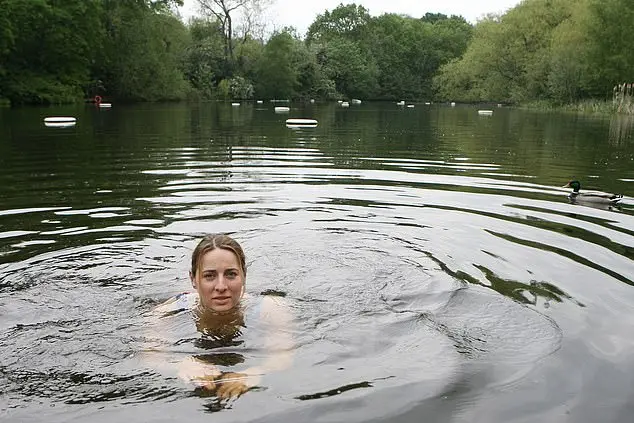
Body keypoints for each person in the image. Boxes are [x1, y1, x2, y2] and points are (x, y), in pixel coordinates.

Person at [150, 234, 293, 400]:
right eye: (209, 276)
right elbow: (151, 354)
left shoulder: (271, 307)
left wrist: (254, 372)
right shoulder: (169, 311)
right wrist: (178, 364)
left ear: (244, 276)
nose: (221, 286)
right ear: (193, 279)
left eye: (231, 274)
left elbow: (282, 356)